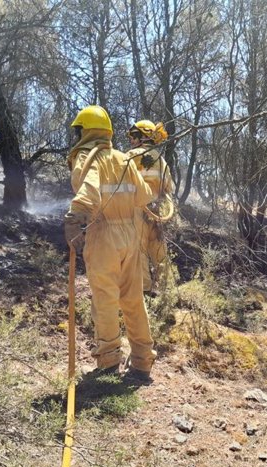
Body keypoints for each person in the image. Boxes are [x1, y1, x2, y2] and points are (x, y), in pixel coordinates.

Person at [64, 106, 156, 383]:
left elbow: (89, 188)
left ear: (85, 130)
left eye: (78, 130)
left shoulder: (88, 156)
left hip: (103, 233)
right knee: (133, 299)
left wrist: (75, 217)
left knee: (105, 299)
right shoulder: (120, 157)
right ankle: (142, 363)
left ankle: (107, 362)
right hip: (131, 235)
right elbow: (145, 194)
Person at [126, 120, 174, 293]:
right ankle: (165, 290)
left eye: (134, 135)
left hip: (138, 209)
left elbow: (121, 182)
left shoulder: (131, 156)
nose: (131, 140)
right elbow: (169, 188)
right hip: (159, 210)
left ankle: (144, 291)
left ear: (143, 136)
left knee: (139, 249)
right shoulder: (162, 161)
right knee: (159, 249)